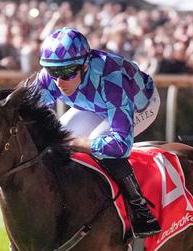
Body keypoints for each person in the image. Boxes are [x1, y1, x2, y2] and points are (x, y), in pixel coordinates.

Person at [33, 27, 161, 237]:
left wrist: (78, 143)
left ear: (85, 65)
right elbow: (25, 108)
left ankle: (141, 209)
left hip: (139, 105)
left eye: (67, 72)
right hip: (95, 105)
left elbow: (121, 145)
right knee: (55, 143)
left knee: (97, 145)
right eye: (53, 71)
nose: (59, 81)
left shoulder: (112, 79)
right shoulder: (52, 75)